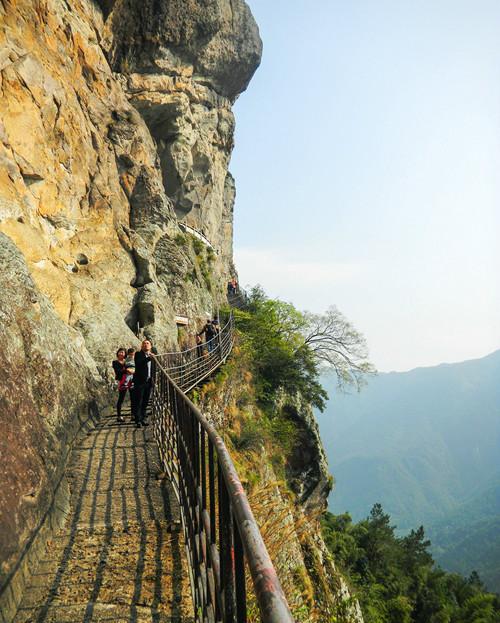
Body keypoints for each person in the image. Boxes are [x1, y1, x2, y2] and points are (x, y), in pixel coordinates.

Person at [131, 339, 155, 428]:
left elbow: (154, 368)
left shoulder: (152, 356)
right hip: (140, 381)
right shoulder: (138, 354)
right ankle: (138, 420)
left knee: (145, 401)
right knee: (139, 401)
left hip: (148, 381)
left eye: (147, 343)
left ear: (150, 346)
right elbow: (139, 363)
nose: (146, 345)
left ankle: (143, 418)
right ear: (141, 346)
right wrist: (149, 358)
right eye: (144, 343)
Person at [112, 348, 127, 423]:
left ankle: (134, 415)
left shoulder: (127, 361)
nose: (121, 354)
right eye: (120, 352)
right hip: (121, 381)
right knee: (121, 398)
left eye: (123, 352)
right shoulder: (115, 362)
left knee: (134, 397)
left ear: (125, 354)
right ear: (117, 353)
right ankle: (119, 416)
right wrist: (127, 370)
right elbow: (118, 371)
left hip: (130, 380)